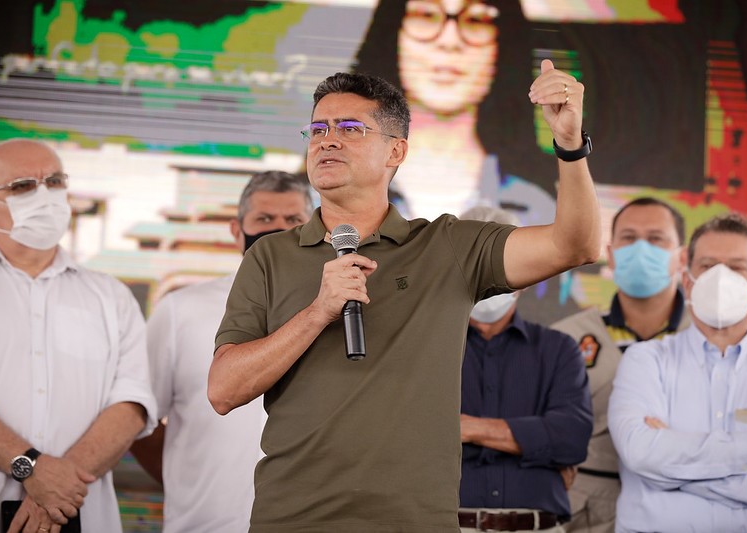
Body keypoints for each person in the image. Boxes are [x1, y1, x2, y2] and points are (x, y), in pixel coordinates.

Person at [208, 64, 600, 532]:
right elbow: (223, 390)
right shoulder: (269, 255)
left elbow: (576, 246)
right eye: (318, 129)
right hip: (291, 520)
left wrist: (569, 145)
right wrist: (316, 313)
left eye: (349, 128)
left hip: (414, 521)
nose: (327, 141)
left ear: (396, 150)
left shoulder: (447, 246)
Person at [129, 171, 313, 533]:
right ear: (236, 230)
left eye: (293, 220)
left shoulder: (337, 312)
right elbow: (138, 418)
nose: (278, 230)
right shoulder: (181, 310)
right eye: (264, 219)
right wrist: (187, 482)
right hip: (202, 524)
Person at [0, 139, 157, 533]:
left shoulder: (111, 296)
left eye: (54, 181)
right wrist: (31, 467)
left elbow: (131, 403)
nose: (44, 196)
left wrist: (58, 487)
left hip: (81, 511)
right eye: (22, 186)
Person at [608, 213, 747, 532]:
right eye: (707, 266)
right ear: (688, 281)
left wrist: (668, 472)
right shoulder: (645, 360)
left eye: (736, 267)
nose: (720, 278)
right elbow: (639, 452)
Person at [551, 196, 690, 533]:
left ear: (682, 257)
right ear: (611, 255)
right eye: (629, 238)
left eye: (656, 239)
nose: (641, 249)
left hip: (686, 504)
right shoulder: (566, 339)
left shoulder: (707, 342)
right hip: (586, 511)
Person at [353, 0, 556, 223]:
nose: (449, 41)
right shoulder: (336, 189)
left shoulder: (537, 209)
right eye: (426, 15)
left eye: (475, 19)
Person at [457, 206, 592, 532]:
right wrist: (532, 440)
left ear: (528, 274)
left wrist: (466, 428)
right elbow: (411, 439)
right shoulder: (425, 348)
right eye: (475, 264)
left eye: (500, 263)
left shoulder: (559, 349)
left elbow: (571, 440)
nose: (487, 277)